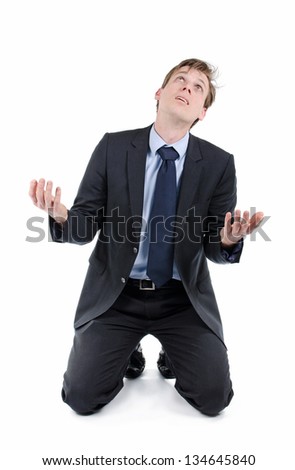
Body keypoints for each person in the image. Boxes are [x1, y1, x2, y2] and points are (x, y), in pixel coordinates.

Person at [29, 58, 263, 416]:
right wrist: (62, 215)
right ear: (159, 93)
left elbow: (214, 247)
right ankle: (129, 354)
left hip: (181, 297)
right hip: (117, 294)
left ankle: (173, 353)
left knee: (215, 399)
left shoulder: (218, 164)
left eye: (198, 87)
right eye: (180, 80)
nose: (187, 87)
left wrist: (229, 239)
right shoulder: (113, 148)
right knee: (80, 399)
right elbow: (84, 227)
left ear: (202, 112)